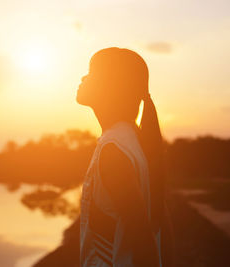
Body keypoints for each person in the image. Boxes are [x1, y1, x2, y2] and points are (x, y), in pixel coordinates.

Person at [76, 47, 172, 267]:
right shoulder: (134, 139)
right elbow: (162, 223)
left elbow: (144, 238)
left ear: (110, 87)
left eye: (91, 72)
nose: (83, 77)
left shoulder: (113, 150)